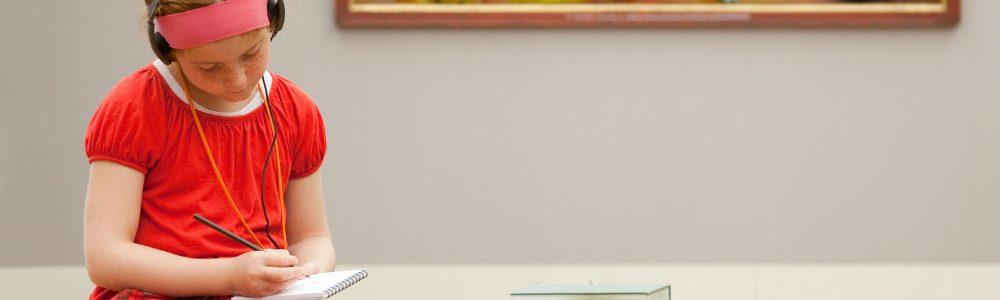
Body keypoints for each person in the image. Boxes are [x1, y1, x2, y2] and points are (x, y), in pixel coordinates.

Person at [83, 1, 335, 298]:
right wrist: (229, 277)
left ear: (273, 19)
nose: (237, 79)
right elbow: (105, 257)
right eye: (209, 67)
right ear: (166, 48)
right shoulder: (135, 108)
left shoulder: (295, 111)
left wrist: (307, 273)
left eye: (252, 53)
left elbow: (312, 237)